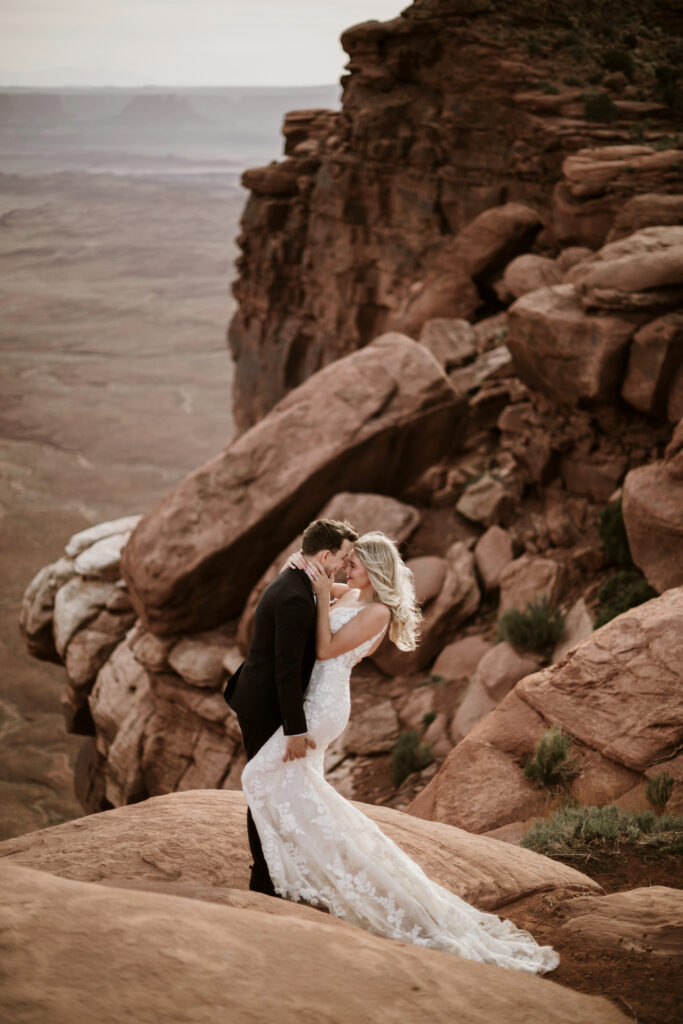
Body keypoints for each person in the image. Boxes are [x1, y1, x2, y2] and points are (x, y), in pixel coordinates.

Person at [240, 531, 559, 974]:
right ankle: (294, 873)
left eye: (355, 561)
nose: (347, 566)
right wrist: (302, 567)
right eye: (346, 560)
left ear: (373, 568)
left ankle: (295, 874)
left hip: (324, 706)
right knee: (292, 784)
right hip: (313, 701)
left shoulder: (377, 610)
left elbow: (325, 648)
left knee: (259, 777)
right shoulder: (351, 590)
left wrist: (318, 593)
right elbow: (307, 584)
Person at [224, 517, 357, 896]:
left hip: (261, 696)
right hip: (263, 705)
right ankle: (263, 878)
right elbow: (286, 671)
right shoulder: (297, 597)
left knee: (271, 785)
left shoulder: (302, 580)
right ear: (326, 555)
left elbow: (338, 589)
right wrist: (295, 731)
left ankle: (278, 867)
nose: (344, 565)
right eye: (343, 557)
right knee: (263, 787)